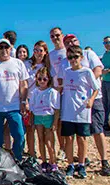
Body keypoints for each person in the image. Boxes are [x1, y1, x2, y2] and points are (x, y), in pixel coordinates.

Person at [60, 34, 110, 176]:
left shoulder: (89, 55)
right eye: (67, 42)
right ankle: (74, 163)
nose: (73, 59)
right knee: (70, 137)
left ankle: (104, 161)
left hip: (89, 102)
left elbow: (97, 72)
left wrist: (86, 87)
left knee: (96, 130)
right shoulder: (65, 67)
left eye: (73, 41)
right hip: (71, 107)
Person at [59, 46, 100, 179]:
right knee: (69, 139)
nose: (73, 60)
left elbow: (96, 88)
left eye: (75, 57)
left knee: (82, 139)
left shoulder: (87, 72)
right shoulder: (66, 71)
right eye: (70, 57)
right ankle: (70, 164)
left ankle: (81, 164)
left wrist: (91, 100)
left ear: (81, 57)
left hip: (82, 111)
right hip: (68, 111)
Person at [23, 41, 51, 157]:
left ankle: (46, 155)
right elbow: (24, 83)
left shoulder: (48, 66)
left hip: (44, 102)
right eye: (35, 50)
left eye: (40, 50)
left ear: (45, 52)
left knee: (44, 130)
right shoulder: (27, 64)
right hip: (30, 99)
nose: (38, 53)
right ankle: (31, 153)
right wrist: (25, 100)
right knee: (30, 128)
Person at [30, 67, 60, 172]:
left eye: (44, 79)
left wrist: (55, 122)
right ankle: (44, 161)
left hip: (48, 117)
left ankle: (53, 161)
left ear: (49, 80)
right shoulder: (34, 92)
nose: (42, 81)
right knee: (40, 139)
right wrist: (32, 120)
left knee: (49, 141)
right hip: (38, 117)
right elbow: (32, 108)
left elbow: (56, 109)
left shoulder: (52, 92)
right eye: (40, 79)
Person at [48, 27, 67, 158]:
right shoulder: (51, 54)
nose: (55, 38)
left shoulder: (68, 51)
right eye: (52, 36)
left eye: (57, 35)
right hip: (57, 91)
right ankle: (63, 148)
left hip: (71, 91)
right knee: (58, 121)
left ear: (62, 35)